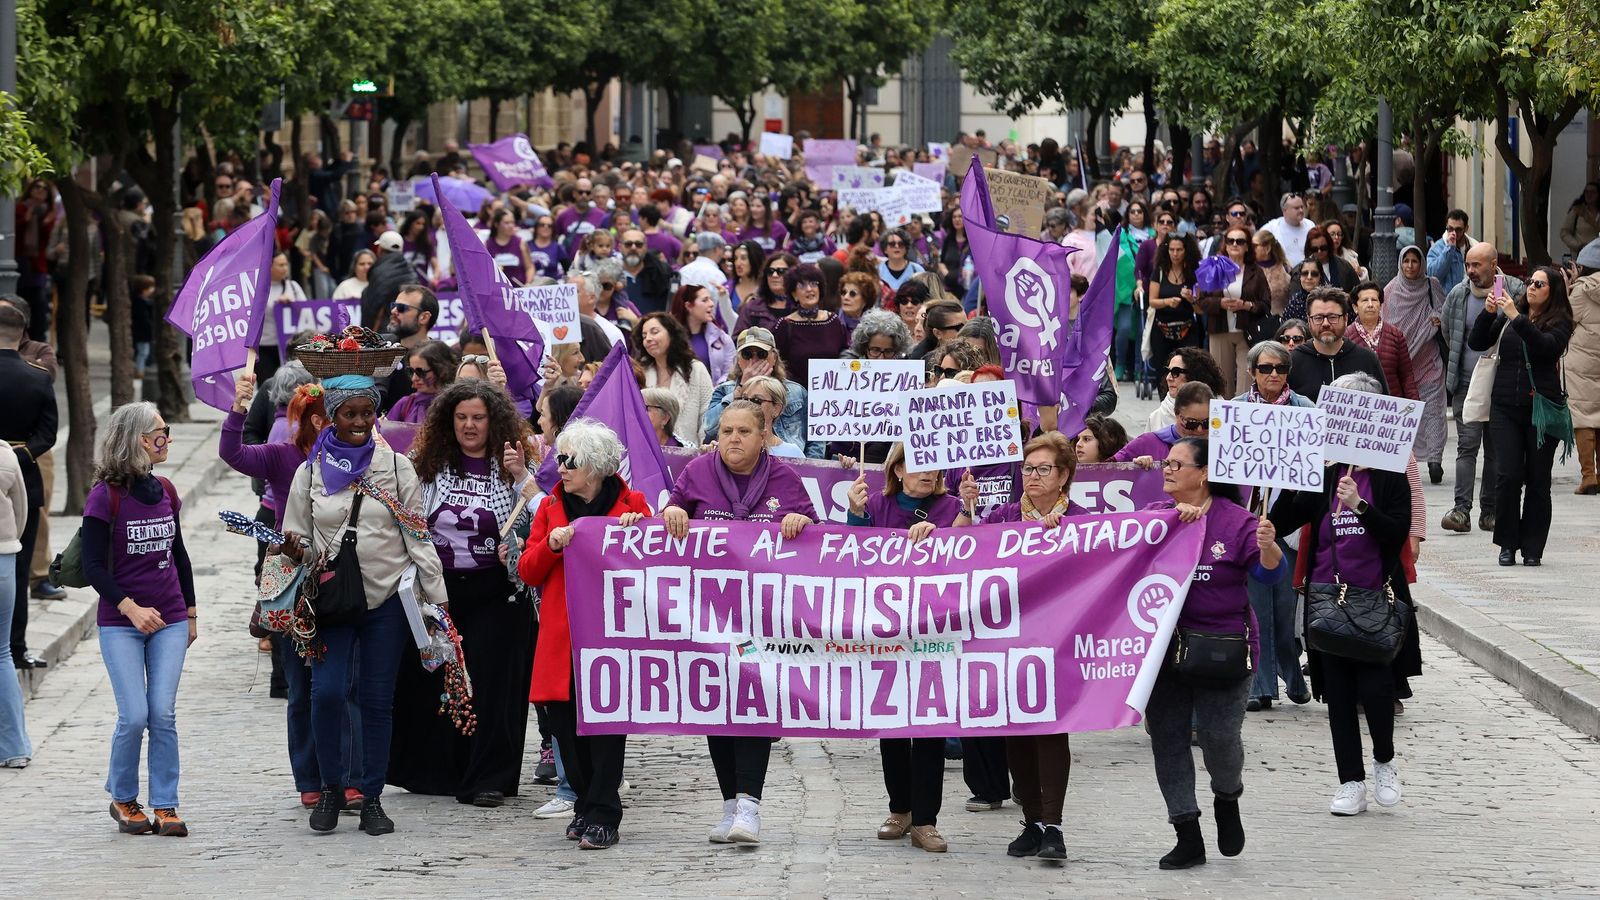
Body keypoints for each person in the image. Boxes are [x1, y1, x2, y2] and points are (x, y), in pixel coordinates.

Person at [277, 372, 450, 836]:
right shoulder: (309, 472)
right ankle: (331, 786)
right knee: (327, 692)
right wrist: (294, 551)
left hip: (386, 600)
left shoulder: (396, 469)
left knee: (376, 701)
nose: (359, 422)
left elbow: (418, 537)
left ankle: (371, 795)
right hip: (330, 602)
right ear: (330, 417)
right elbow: (299, 535)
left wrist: (439, 606)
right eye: (349, 413)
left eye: (366, 413)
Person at [662, 400, 818, 844]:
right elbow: (669, 519)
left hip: (762, 619)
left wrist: (801, 520)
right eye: (726, 430)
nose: (733, 438)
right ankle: (729, 804)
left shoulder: (785, 478)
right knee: (717, 706)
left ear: (763, 434)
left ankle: (751, 806)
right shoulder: (696, 472)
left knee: (754, 706)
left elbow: (818, 538)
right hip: (708, 616)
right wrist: (672, 513)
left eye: (743, 431)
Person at [1269, 374, 1415, 818]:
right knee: (1337, 694)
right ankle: (1350, 781)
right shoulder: (1325, 471)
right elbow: (1284, 517)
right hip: (1327, 600)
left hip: (1375, 599)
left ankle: (1385, 762)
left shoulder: (1390, 476)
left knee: (1375, 690)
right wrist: (1281, 492)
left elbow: (1397, 533)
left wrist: (1359, 506)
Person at [388, 380, 536, 808]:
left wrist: (521, 477)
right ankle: (437, 772)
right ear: (448, 422)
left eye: (478, 418)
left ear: (495, 421)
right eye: (462, 418)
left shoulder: (512, 463)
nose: (470, 426)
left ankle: (488, 777)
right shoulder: (426, 464)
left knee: (491, 685)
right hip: (439, 593)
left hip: (498, 593)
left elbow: (541, 513)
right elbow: (403, 515)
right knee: (439, 681)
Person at [1146, 437, 1283, 868]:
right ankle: (1186, 832)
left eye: (1177, 464)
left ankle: (1228, 796)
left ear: (1203, 473)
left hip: (1222, 650)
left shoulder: (1238, 522)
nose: (1166, 469)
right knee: (1167, 740)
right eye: (1166, 463)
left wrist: (1268, 544)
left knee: (1219, 739)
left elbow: (1268, 573)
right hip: (1164, 654)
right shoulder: (1154, 518)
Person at [953, 432, 1090, 860]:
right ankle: (1031, 821)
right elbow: (965, 553)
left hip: (1058, 642)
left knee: (1050, 731)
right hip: (1009, 642)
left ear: (1063, 475)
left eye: (1043, 469)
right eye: (1027, 469)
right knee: (1015, 731)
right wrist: (967, 511)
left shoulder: (1083, 521)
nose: (1032, 476)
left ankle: (1054, 825)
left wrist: (1060, 539)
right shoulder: (1005, 517)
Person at [516, 420, 650, 850]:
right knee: (565, 729)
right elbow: (527, 570)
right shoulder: (550, 508)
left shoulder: (633, 506)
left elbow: (655, 562)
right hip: (562, 636)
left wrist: (638, 531)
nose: (560, 467)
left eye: (568, 460)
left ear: (594, 467)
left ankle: (604, 812)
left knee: (606, 729)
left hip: (610, 637)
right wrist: (551, 545)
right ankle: (584, 806)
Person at [83, 403, 197, 837]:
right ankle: (123, 797)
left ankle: (165, 804)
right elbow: (94, 567)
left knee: (162, 714)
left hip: (168, 618)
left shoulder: (166, 489)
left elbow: (179, 555)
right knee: (133, 715)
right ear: (137, 440)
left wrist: (189, 612)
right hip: (120, 623)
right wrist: (129, 607)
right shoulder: (105, 497)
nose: (166, 437)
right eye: (160, 431)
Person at [844, 442, 961, 852]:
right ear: (897, 470)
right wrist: (855, 514)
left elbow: (971, 555)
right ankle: (900, 809)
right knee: (892, 721)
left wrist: (951, 528)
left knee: (929, 723)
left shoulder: (952, 507)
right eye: (918, 464)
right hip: (887, 631)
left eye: (935, 465)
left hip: (935, 631)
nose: (928, 473)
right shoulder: (874, 503)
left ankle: (926, 820)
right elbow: (853, 557)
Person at [1468, 265, 1574, 567]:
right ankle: (1507, 543)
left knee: (1538, 481)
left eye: (1539, 284)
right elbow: (1477, 342)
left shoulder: (1560, 322)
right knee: (1508, 476)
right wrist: (1490, 313)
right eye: (1530, 281)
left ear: (1552, 291)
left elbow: (1545, 349)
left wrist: (1517, 317)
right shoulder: (1510, 312)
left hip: (1542, 411)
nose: (1531, 287)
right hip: (1504, 407)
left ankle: (1532, 547)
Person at [1234, 341, 1315, 711]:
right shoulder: (1234, 412)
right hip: (1248, 524)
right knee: (1255, 612)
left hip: (1287, 523)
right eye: (1265, 368)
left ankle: (1290, 671)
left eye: (1280, 369)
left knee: (1284, 613)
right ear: (1252, 372)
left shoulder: (1306, 410)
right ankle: (1260, 686)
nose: (1273, 375)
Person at [1440, 243, 1520, 532]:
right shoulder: (1458, 294)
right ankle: (1461, 510)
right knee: (1467, 446)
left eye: (1478, 265)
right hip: (1466, 382)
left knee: (1496, 449)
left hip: (1501, 385)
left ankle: (1490, 511)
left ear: (1494, 263)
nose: (1471, 271)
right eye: (1468, 265)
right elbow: (1449, 333)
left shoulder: (1514, 290)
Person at [0, 301, 54, 671]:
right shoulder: (37, 378)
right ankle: (15, 648)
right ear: (21, 337)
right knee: (17, 569)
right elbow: (46, 435)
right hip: (22, 479)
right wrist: (16, 457)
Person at [1380, 247, 1448, 480]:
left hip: (1429, 363)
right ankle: (1407, 460)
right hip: (1401, 365)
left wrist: (1437, 320)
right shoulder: (1390, 290)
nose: (1410, 266)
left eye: (1414, 261)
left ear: (1422, 264)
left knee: (1433, 413)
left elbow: (1444, 311)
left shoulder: (1432, 285)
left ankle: (1435, 461)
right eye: (1406, 261)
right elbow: (1385, 325)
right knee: (1406, 414)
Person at [704, 328, 810, 452]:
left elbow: (815, 439)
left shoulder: (797, 392)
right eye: (747, 354)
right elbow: (709, 428)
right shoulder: (724, 390)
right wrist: (740, 391)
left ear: (774, 357)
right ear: (738, 360)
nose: (754, 360)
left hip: (790, 463)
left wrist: (807, 467)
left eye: (761, 354)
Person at [1197, 226, 1270, 395]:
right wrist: (1220, 303)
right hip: (1220, 330)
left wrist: (1246, 305)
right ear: (1225, 244)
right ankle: (1223, 420)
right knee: (1222, 383)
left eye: (1240, 241)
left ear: (1247, 246)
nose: (1235, 244)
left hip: (1247, 332)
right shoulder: (1214, 268)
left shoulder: (1256, 272)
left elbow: (1265, 304)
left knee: (1247, 383)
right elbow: (1201, 301)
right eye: (1230, 240)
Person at [1287, 287, 1388, 402]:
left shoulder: (1367, 359)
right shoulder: (1294, 361)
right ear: (1309, 321)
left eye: (1333, 317)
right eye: (1318, 318)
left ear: (1345, 319)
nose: (1325, 324)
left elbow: (1383, 406)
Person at [633, 312, 714, 447]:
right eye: (644, 335)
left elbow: (707, 416)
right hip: (649, 452)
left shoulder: (696, 369)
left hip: (688, 454)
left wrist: (700, 452)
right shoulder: (641, 373)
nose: (648, 338)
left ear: (671, 333)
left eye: (654, 332)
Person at [773, 263, 849, 386]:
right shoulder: (785, 325)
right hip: (797, 396)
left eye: (814, 283)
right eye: (802, 285)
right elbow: (777, 365)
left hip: (831, 393)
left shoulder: (833, 321)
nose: (809, 289)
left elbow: (845, 354)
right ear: (794, 294)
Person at [1146, 232, 1202, 394]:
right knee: (1163, 371)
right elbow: (1152, 301)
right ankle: (1165, 405)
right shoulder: (1160, 271)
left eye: (1179, 250)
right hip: (1162, 329)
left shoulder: (1193, 273)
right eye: (1172, 250)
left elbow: (1200, 309)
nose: (1175, 254)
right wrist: (1167, 302)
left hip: (1187, 328)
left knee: (1187, 369)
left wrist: (1191, 299)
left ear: (1187, 250)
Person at [1344, 282, 1419, 401]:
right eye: (1364, 300)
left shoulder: (1396, 335)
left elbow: (1406, 375)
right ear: (1355, 307)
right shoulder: (1346, 336)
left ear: (1380, 305)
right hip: (1358, 406)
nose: (1370, 305)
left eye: (1374, 300)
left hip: (1392, 405)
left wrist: (1414, 404)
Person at [0, 438, 27, 767]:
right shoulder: (5, 454)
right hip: (4, 559)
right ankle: (15, 746)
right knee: (2, 653)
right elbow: (20, 512)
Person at [1115, 382, 1214, 466]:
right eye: (1192, 423)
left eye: (1206, 423)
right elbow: (1105, 471)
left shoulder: (1220, 450)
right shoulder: (1147, 443)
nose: (1200, 429)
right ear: (1176, 414)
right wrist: (1133, 468)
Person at [1568, 239, 1600, 494]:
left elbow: (1567, 320)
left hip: (1581, 362)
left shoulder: (1580, 290)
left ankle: (1588, 476)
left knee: (1583, 419)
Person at [379, 284, 440, 414]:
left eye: (401, 308)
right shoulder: (379, 347)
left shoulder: (440, 358)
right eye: (393, 306)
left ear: (423, 317)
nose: (394, 311)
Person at [1149, 347, 1227, 431]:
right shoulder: (1155, 418)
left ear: (1195, 375)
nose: (1168, 378)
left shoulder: (1223, 412)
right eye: (1168, 371)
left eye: (1176, 372)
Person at [670, 283, 735, 384]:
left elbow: (730, 372)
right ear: (688, 306)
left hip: (715, 396)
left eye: (710, 299)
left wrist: (716, 391)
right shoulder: (669, 338)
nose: (711, 304)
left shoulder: (722, 337)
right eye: (705, 300)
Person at [387, 340, 459, 424]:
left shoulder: (456, 405)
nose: (414, 378)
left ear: (442, 370)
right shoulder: (405, 404)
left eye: (421, 372)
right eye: (411, 371)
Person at [733, 376, 804, 457]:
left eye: (757, 400)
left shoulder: (792, 453)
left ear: (776, 409)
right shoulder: (729, 446)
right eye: (744, 399)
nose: (748, 405)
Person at [733, 252, 798, 335]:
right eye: (770, 271)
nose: (774, 275)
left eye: (781, 271)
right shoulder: (752, 307)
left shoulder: (801, 306)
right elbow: (738, 339)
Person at [485, 209, 535, 287]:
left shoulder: (521, 243)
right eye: (507, 223)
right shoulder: (487, 244)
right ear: (496, 224)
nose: (511, 226)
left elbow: (530, 267)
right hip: (497, 292)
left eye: (512, 222)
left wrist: (528, 283)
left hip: (519, 290)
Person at [1262, 193, 1313, 266]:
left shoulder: (1310, 225)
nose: (1301, 210)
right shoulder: (1272, 227)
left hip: (1308, 272)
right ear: (1284, 210)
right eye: (1296, 208)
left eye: (1302, 207)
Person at [1560, 182, 1600, 257]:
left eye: (1592, 192)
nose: (1589, 195)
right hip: (1581, 255)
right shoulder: (1577, 211)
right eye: (1586, 192)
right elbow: (1565, 232)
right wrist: (1576, 245)